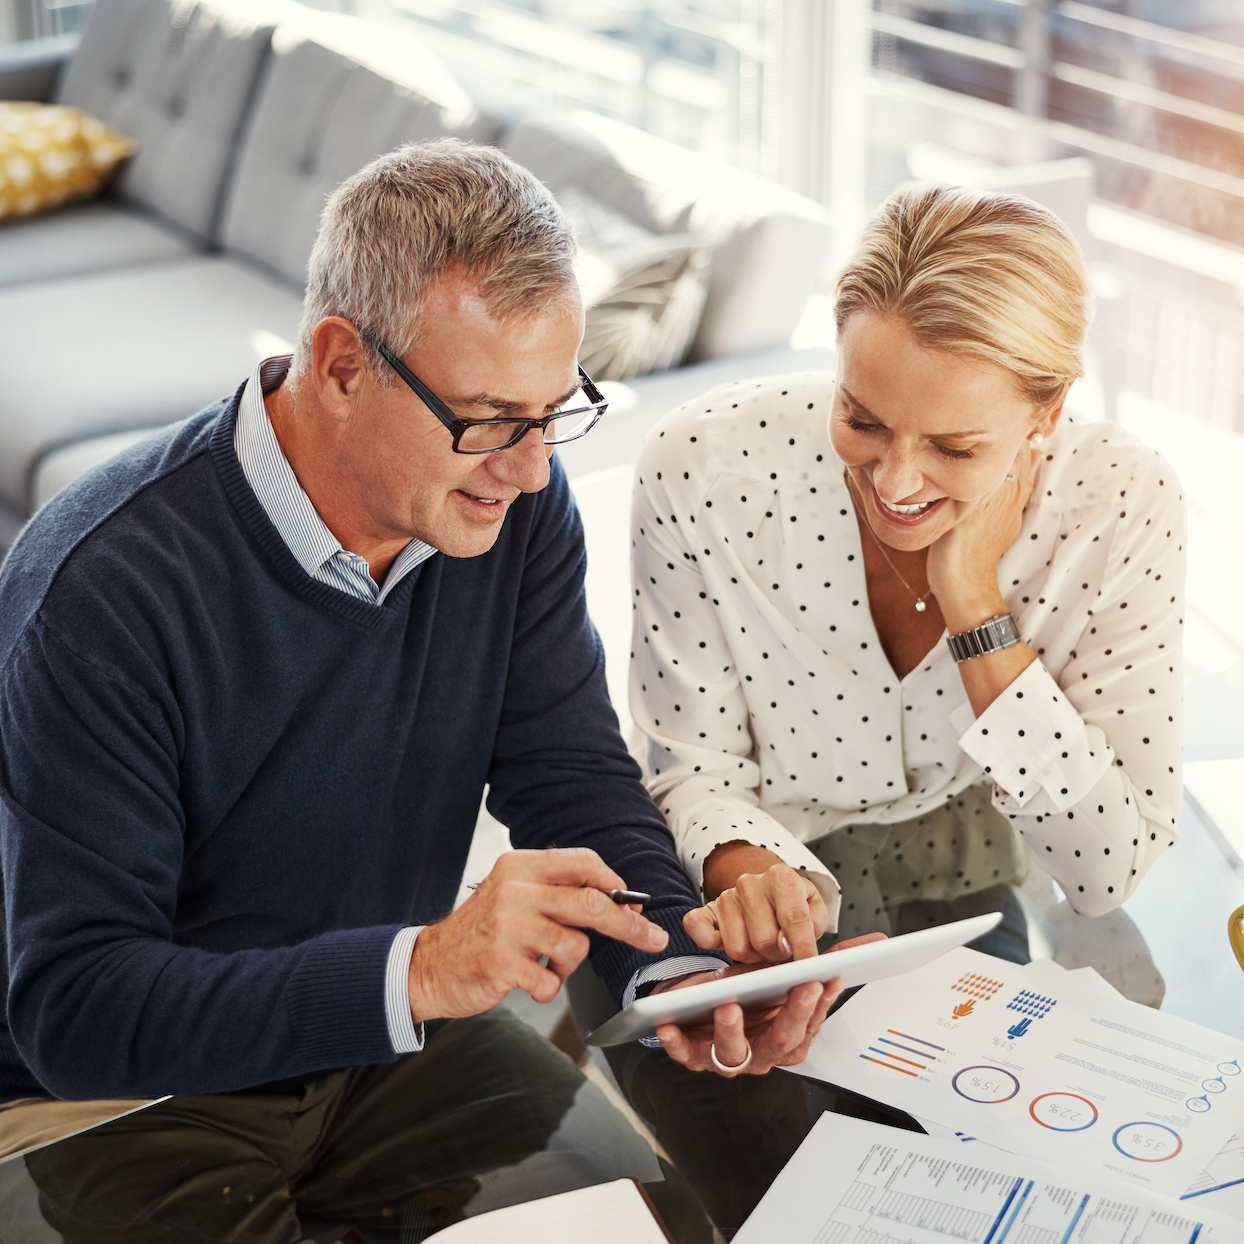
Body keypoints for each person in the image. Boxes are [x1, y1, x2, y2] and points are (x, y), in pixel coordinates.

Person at [0, 140, 842, 1242]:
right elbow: (77, 1006)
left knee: (654, 1227)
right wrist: (424, 965)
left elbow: (570, 771)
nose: (533, 466)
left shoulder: (511, 508)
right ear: (342, 362)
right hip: (123, 1091)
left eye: (555, 411)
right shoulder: (103, 588)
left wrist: (680, 967)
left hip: (381, 1028)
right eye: (491, 419)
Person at [632, 184, 1186, 978]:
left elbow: (1104, 874)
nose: (894, 483)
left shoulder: (1122, 505)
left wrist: (976, 607)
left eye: (954, 449)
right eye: (862, 420)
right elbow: (689, 766)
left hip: (963, 866)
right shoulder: (702, 469)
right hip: (738, 868)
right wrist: (757, 886)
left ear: (1049, 411)